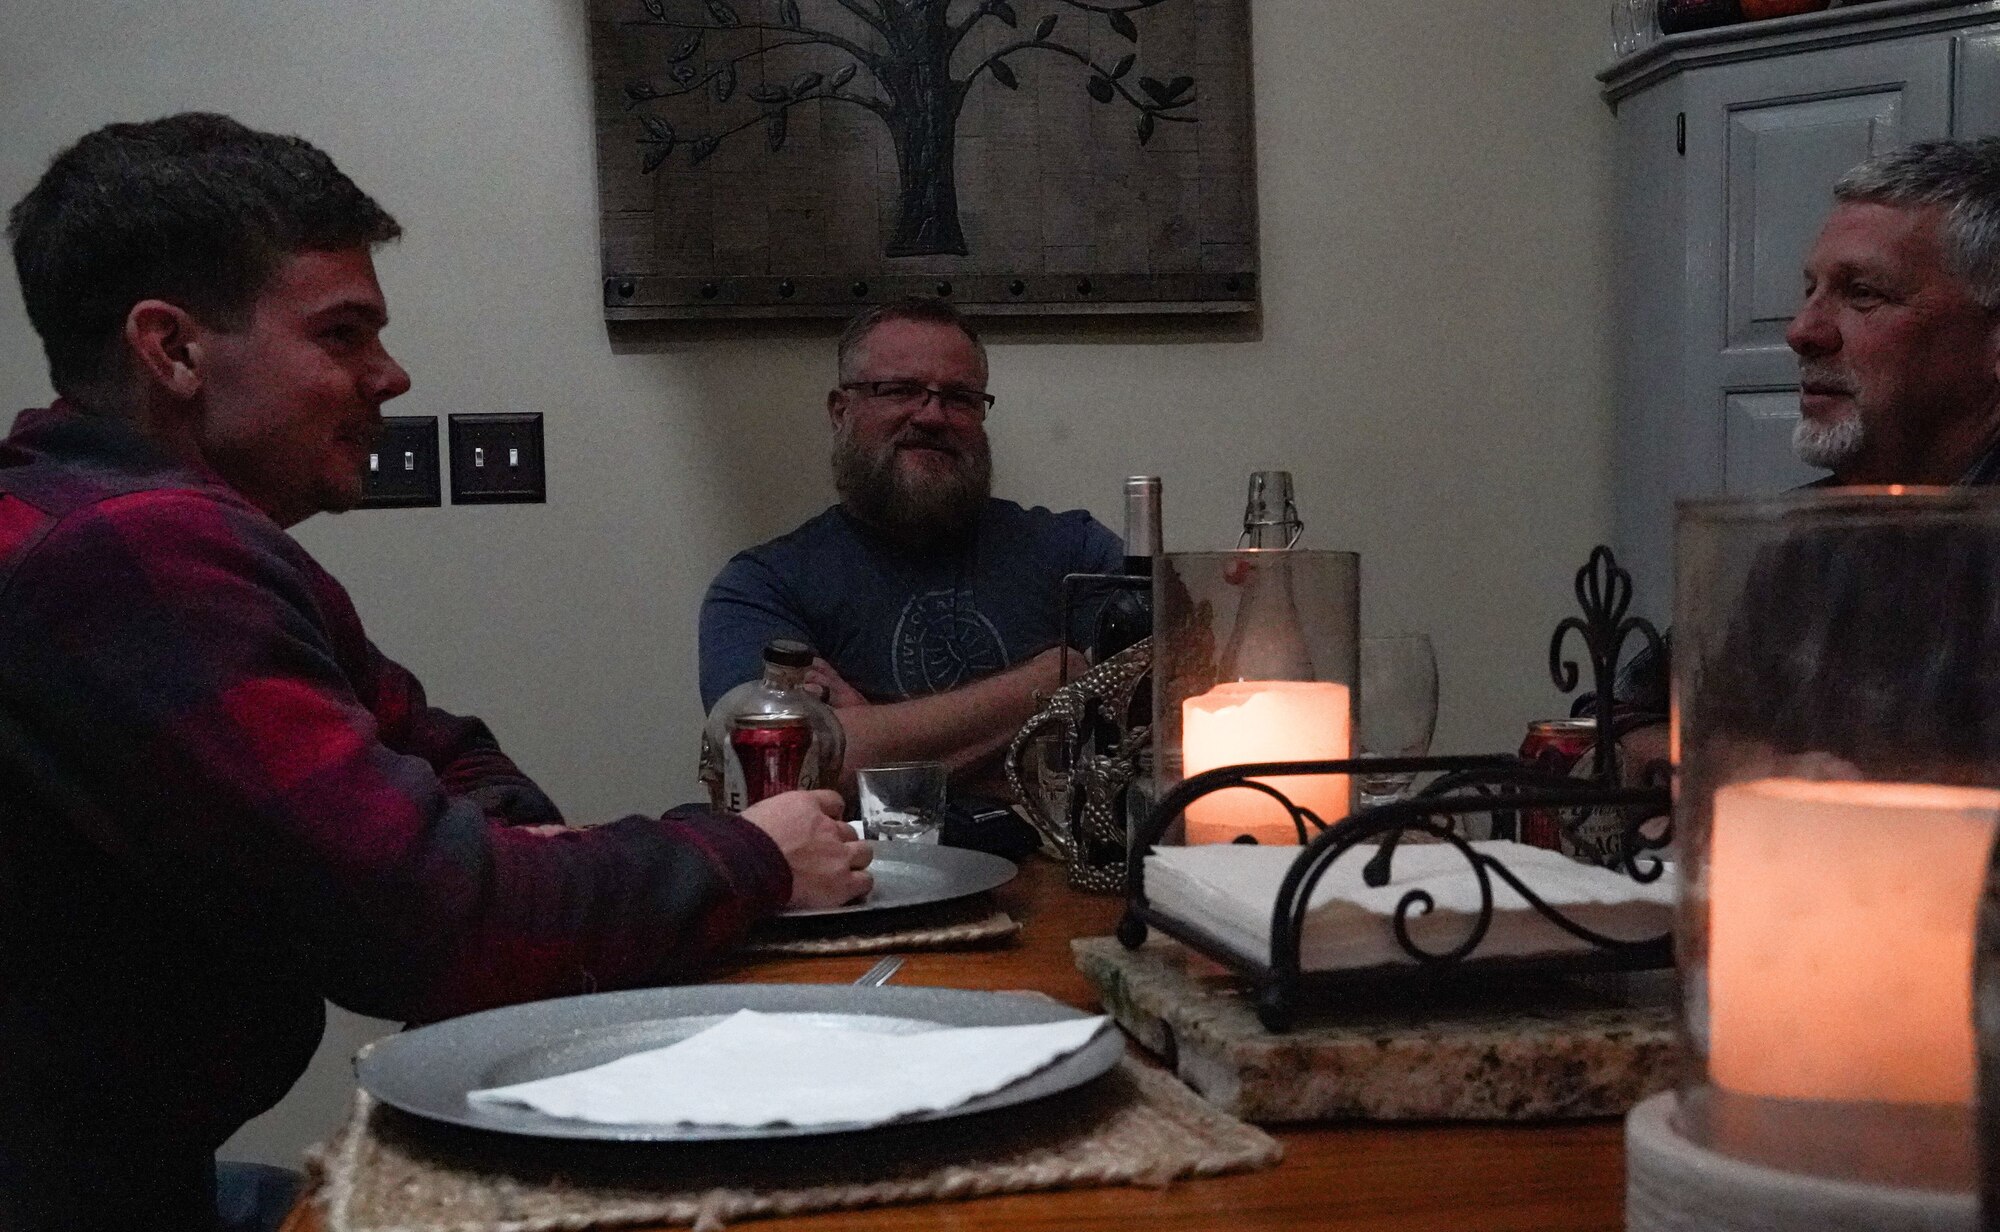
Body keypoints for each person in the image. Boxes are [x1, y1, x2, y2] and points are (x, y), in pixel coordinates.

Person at [0, 113, 870, 1232]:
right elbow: (438, 929)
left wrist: (498, 858)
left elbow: (445, 750)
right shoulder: (128, 558)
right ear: (172, 348)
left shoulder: (144, 528)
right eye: (343, 333)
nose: (390, 372)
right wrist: (753, 852)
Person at [1607, 136, 2000, 754]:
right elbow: (1619, 709)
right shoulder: (1806, 539)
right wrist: (1664, 747)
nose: (1802, 331)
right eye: (1809, 289)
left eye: (1863, 293)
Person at [698, 300, 1123, 790]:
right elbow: (784, 768)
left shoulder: (1077, 554)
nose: (932, 415)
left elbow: (1168, 706)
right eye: (900, 390)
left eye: (960, 397)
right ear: (841, 411)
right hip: (857, 867)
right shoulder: (760, 588)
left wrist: (872, 729)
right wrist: (1060, 675)